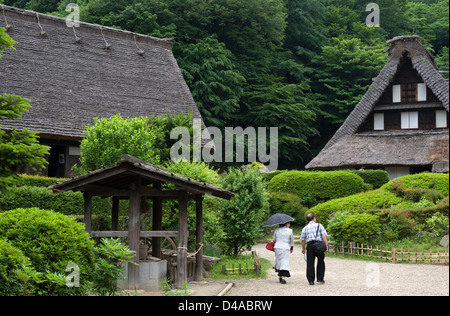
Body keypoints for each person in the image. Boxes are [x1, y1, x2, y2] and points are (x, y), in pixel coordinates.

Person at [300, 213, 328, 285]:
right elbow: (324, 236)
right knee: (321, 261)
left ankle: (311, 280)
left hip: (310, 245)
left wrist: (303, 248)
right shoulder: (319, 225)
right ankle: (320, 278)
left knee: (310, 263)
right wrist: (326, 246)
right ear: (314, 218)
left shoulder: (305, 228)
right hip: (319, 245)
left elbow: (303, 240)